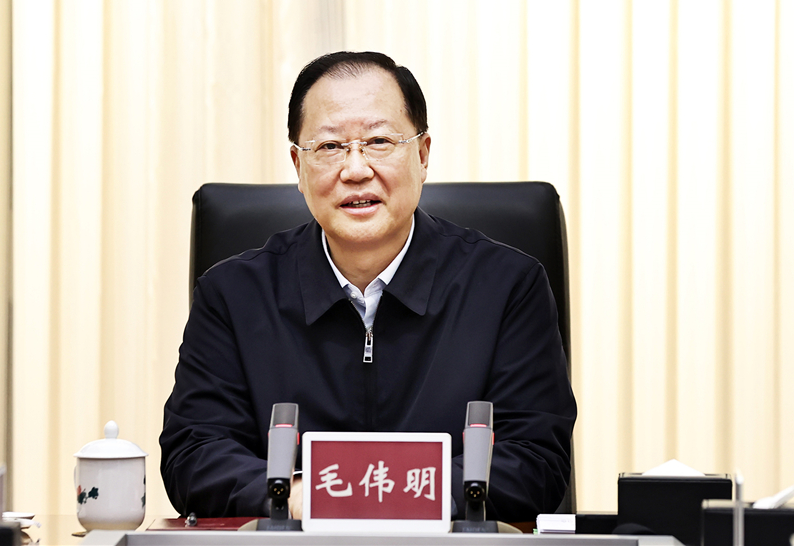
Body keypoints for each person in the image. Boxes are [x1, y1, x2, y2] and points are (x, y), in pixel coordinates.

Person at [160, 51, 576, 523]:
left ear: (422, 155)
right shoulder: (233, 295)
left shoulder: (507, 288)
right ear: (298, 166)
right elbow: (194, 454)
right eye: (329, 146)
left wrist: (382, 496)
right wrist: (295, 495)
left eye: (379, 141)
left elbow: (535, 461)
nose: (355, 169)